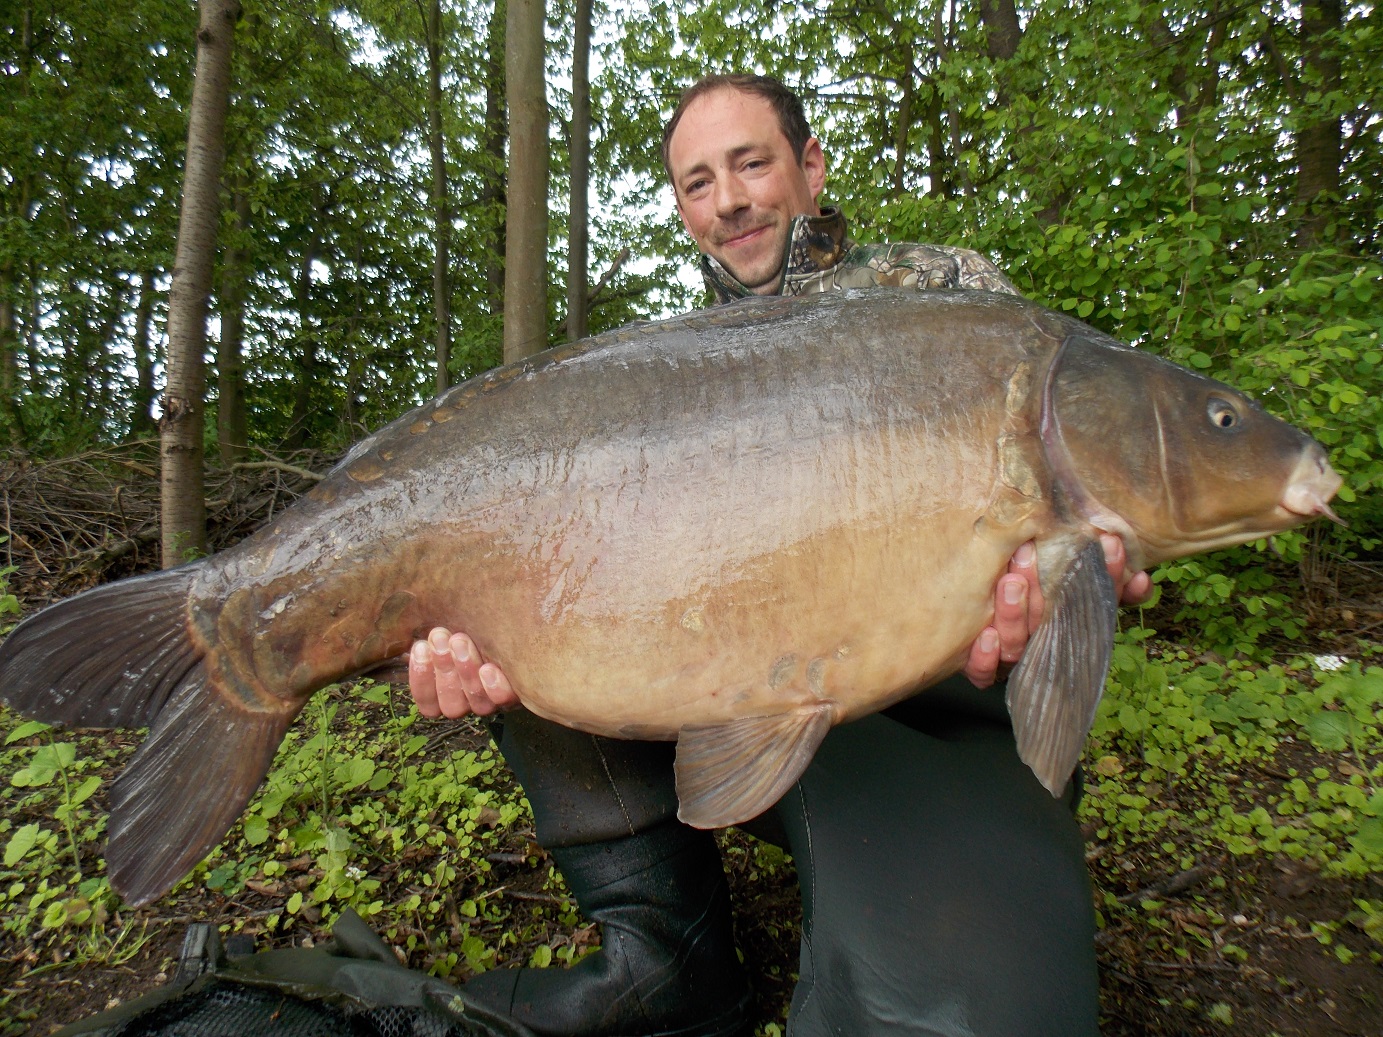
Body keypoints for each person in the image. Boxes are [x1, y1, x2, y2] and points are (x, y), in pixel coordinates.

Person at [409, 75, 1151, 1037]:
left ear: (809, 166)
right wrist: (469, 635)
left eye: (751, 163)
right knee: (537, 614)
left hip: (922, 720)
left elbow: (1092, 495)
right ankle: (662, 959)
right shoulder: (664, 371)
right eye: (697, 182)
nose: (729, 201)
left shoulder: (946, 297)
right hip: (736, 702)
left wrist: (1088, 567)